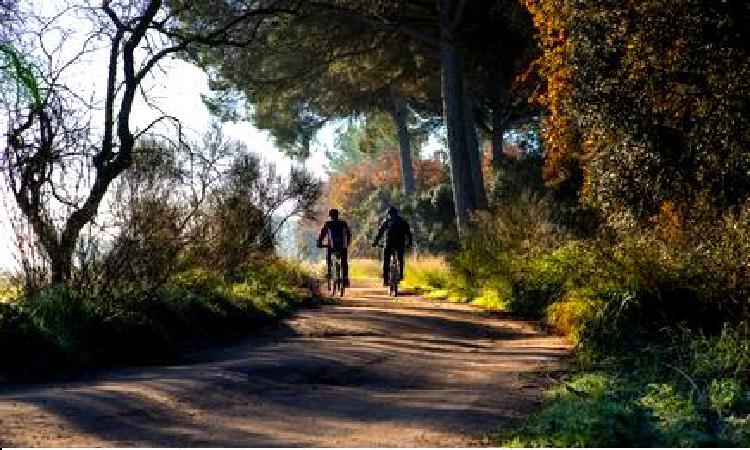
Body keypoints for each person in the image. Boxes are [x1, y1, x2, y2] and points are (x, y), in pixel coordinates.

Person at [372, 206, 413, 286]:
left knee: (386, 261)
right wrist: (409, 243)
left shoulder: (387, 221)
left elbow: (380, 233)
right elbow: (409, 233)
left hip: (389, 243)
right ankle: (401, 275)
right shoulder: (403, 221)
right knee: (400, 259)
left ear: (389, 214)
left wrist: (375, 242)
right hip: (400, 243)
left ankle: (385, 280)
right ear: (397, 213)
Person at [317, 208, 352, 287]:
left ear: (330, 216)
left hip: (331, 246)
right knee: (344, 261)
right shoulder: (343, 223)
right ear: (337, 215)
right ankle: (345, 278)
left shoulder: (328, 224)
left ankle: (329, 272)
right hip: (342, 246)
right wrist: (348, 243)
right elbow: (348, 233)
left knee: (329, 257)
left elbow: (322, 234)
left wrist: (319, 243)